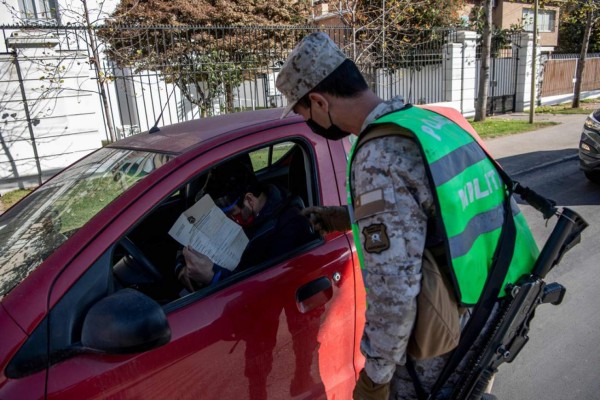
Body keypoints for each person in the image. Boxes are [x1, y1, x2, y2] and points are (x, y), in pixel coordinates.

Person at [275, 32, 539, 400]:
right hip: (494, 307)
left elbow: (394, 290)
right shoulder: (427, 125)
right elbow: (439, 210)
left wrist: (376, 376)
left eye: (303, 113)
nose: (308, 122)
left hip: (446, 342)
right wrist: (349, 217)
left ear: (319, 101)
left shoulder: (378, 156)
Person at [177, 158, 317, 290]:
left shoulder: (289, 227)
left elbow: (265, 288)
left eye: (231, 212)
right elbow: (192, 240)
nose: (227, 219)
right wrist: (183, 264)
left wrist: (214, 277)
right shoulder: (250, 213)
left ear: (249, 200)